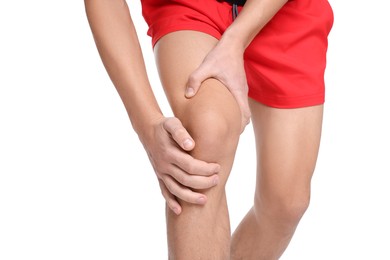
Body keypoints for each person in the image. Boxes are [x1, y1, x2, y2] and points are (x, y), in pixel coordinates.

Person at [84, 0, 333, 258]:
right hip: (191, 4)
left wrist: (235, 40)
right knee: (207, 131)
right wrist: (146, 125)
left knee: (286, 204)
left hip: (283, 9)